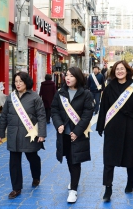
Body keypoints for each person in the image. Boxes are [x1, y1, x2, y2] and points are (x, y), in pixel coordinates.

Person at [96, 60, 133, 202]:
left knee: (130, 157)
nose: (119, 71)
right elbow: (103, 109)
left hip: (130, 127)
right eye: (117, 69)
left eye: (122, 69)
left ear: (127, 71)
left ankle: (130, 181)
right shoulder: (109, 88)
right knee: (109, 159)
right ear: (114, 71)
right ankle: (108, 188)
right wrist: (100, 126)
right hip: (112, 127)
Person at [0, 72, 47, 199]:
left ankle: (36, 176)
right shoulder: (10, 97)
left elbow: (41, 116)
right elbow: (4, 117)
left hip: (29, 134)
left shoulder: (35, 97)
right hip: (14, 135)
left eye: (20, 81)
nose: (18, 84)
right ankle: (16, 188)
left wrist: (42, 133)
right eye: (16, 81)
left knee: (32, 158)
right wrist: (1, 132)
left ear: (26, 82)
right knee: (14, 162)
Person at [51, 66, 94, 203]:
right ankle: (73, 181)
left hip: (78, 134)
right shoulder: (60, 93)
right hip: (64, 134)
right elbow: (54, 110)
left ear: (78, 78)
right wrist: (58, 124)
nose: (67, 78)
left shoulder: (86, 94)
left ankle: (73, 190)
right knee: (70, 160)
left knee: (75, 161)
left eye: (71, 76)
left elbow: (87, 115)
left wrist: (77, 132)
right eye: (67, 75)